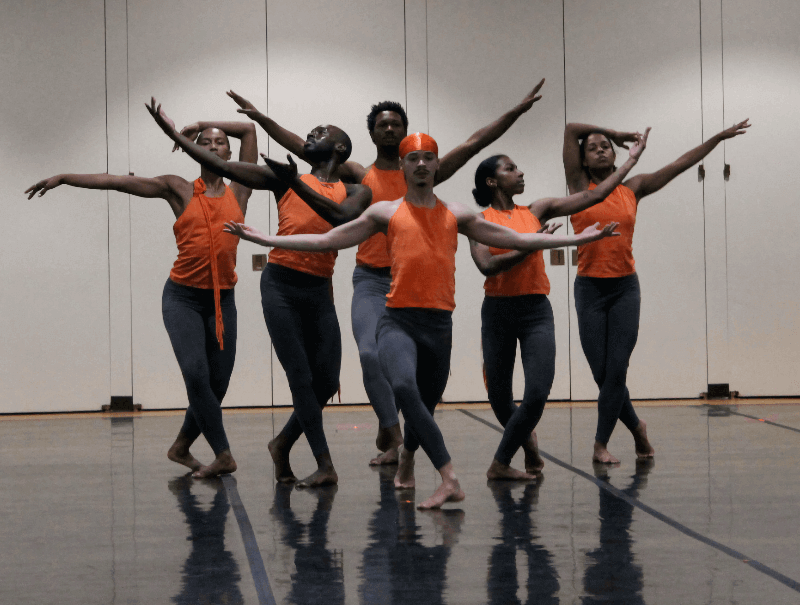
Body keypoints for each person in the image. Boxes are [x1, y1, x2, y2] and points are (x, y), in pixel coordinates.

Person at [223, 132, 620, 508]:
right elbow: (328, 239)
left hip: (438, 327)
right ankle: (449, 478)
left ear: (435, 166)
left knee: (424, 407)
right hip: (397, 321)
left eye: (428, 158)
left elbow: (521, 239)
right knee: (404, 388)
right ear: (403, 166)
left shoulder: (456, 214)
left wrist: (579, 239)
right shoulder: (385, 211)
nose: (421, 165)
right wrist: (268, 240)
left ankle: (409, 455)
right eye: (413, 159)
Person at [227, 81, 548, 466]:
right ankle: (390, 430)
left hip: (414, 285)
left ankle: (406, 445)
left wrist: (515, 112)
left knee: (419, 378)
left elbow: (475, 142)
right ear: (373, 133)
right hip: (370, 279)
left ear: (406, 134)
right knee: (368, 352)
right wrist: (263, 119)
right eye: (383, 124)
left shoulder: (425, 168)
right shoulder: (360, 174)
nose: (390, 129)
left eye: (397, 124)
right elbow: (304, 147)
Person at [147, 99, 371, 488]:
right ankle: (324, 463)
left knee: (326, 381)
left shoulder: (355, 191)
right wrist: (173, 134)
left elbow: (339, 220)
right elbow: (223, 165)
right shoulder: (282, 178)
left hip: (319, 289)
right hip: (281, 286)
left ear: (340, 149)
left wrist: (295, 179)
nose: (312, 133)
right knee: (301, 378)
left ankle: (283, 443)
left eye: (322, 132)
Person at [26, 112, 258, 478]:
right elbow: (118, 182)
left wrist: (199, 122)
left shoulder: (241, 189)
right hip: (182, 298)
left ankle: (181, 447)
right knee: (197, 376)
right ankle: (223, 454)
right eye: (206, 143)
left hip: (222, 299)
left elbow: (247, 128)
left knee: (218, 384)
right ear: (193, 152)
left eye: (219, 143)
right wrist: (65, 178)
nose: (213, 147)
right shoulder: (178, 188)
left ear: (229, 152)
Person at [563, 118, 750, 463]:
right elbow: (572, 127)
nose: (601, 149)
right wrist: (616, 132)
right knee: (602, 375)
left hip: (624, 289)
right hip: (589, 289)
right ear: (583, 160)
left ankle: (600, 444)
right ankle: (637, 428)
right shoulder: (578, 187)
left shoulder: (633, 188)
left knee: (616, 370)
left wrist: (717, 138)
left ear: (615, 156)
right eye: (593, 147)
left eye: (606, 145)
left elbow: (680, 164)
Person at [470, 130, 648, 480]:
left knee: (537, 392)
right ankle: (528, 445)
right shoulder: (478, 221)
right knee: (500, 398)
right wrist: (531, 246)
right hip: (498, 312)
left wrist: (631, 160)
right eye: (511, 168)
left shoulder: (538, 209)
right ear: (492, 181)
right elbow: (486, 266)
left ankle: (500, 463)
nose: (520, 172)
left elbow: (597, 193)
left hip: (536, 311)